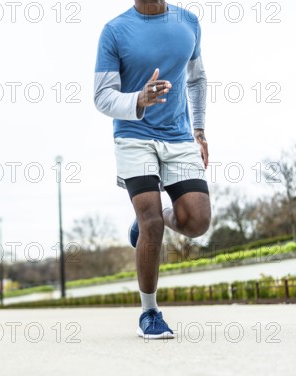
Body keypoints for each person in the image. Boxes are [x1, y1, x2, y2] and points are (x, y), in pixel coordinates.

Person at [94, 0, 211, 339]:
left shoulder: (188, 22)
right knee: (151, 222)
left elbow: (197, 78)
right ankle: (150, 312)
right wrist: (139, 100)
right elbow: (102, 96)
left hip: (178, 137)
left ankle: (159, 214)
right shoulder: (115, 31)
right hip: (134, 135)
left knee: (198, 222)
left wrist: (199, 130)